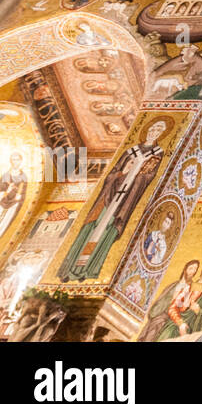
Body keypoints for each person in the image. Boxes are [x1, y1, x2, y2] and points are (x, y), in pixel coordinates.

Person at [58, 118, 169, 281]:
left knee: (109, 229)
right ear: (148, 129)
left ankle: (89, 270)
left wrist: (138, 176)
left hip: (126, 199)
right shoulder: (130, 151)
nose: (155, 131)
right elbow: (111, 173)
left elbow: (148, 178)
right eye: (153, 127)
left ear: (162, 134)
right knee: (91, 225)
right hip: (109, 195)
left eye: (159, 129)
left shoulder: (157, 154)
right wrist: (123, 171)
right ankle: (70, 268)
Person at [0, 152, 27, 254]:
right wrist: (7, 191)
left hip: (12, 207)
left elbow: (23, 195)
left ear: (21, 161)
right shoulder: (5, 175)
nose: (15, 162)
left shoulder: (24, 177)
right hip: (0, 204)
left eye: (17, 159)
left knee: (1, 226)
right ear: (10, 161)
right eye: (13, 159)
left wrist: (18, 197)